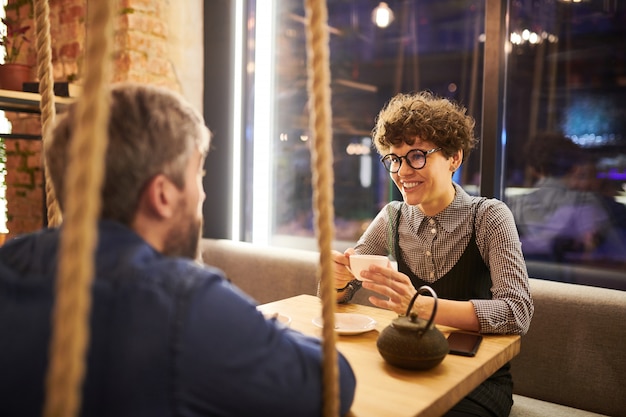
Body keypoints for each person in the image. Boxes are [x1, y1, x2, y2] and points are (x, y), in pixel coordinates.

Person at [0, 83, 356, 417]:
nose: (202, 194)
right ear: (163, 196)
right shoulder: (184, 303)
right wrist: (253, 324)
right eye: (198, 174)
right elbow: (333, 381)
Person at [331, 91, 534, 417]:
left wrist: (421, 306)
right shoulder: (392, 217)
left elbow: (516, 312)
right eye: (394, 159)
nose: (402, 172)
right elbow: (339, 295)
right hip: (406, 363)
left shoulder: (489, 217)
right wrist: (338, 280)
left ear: (454, 157)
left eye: (416, 156)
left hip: (474, 378)